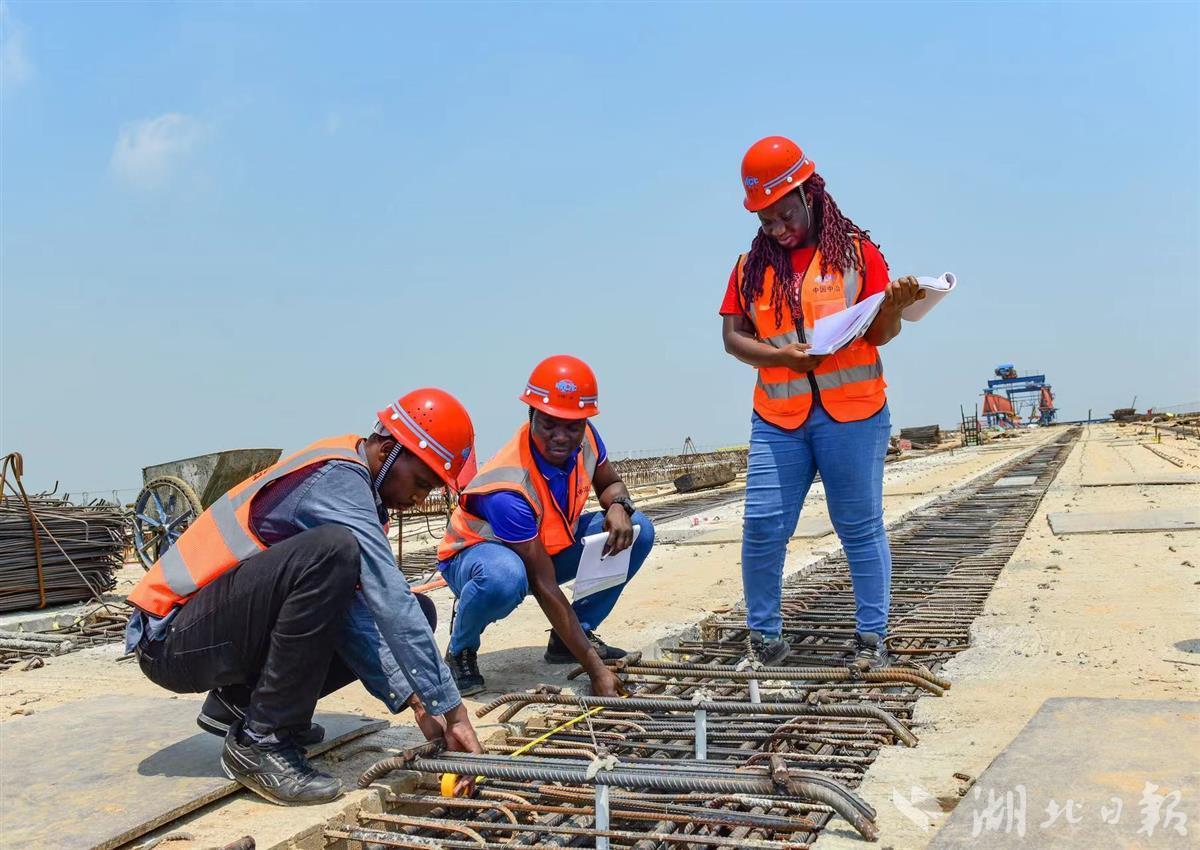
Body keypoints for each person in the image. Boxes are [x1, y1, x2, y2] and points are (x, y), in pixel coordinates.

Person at [125, 389, 484, 806]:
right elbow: (389, 596)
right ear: (388, 450)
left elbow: (356, 616)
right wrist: (453, 709)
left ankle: (241, 706)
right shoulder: (338, 480)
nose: (418, 499)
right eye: (421, 483)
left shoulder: (359, 488)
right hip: (172, 639)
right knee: (336, 551)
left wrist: (418, 698)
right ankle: (262, 741)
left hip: (214, 631)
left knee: (416, 609)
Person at [719, 136, 924, 670]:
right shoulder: (749, 268)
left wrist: (896, 307)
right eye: (766, 222)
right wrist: (781, 358)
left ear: (811, 194)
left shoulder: (858, 253)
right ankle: (764, 639)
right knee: (763, 524)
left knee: (858, 524)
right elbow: (733, 338)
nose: (779, 229)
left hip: (852, 414)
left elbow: (880, 333)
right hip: (778, 417)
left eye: (786, 214)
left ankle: (871, 637)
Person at [437, 355, 655, 697]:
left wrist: (618, 505)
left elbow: (610, 482)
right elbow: (543, 584)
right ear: (531, 416)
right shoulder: (509, 488)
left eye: (572, 426)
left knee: (637, 530)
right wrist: (595, 670)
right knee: (504, 578)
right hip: (476, 559)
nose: (561, 436)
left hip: (545, 549)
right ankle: (461, 648)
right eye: (549, 423)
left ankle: (571, 638)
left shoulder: (587, 439)